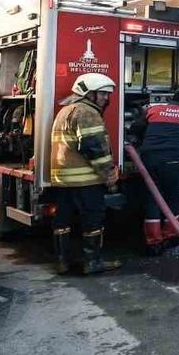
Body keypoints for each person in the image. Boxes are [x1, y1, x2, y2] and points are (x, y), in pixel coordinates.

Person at [48, 72, 121, 275]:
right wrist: (109, 175)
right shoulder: (87, 112)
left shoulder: (65, 111)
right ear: (88, 93)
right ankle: (92, 262)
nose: (106, 98)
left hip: (63, 180)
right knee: (93, 220)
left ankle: (62, 262)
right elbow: (94, 148)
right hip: (85, 181)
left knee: (62, 221)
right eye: (103, 94)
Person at [130, 90, 179, 250]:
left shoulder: (154, 110)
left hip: (149, 159)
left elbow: (135, 128)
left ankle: (153, 242)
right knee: (174, 198)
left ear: (172, 101)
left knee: (152, 198)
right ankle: (171, 236)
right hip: (174, 160)